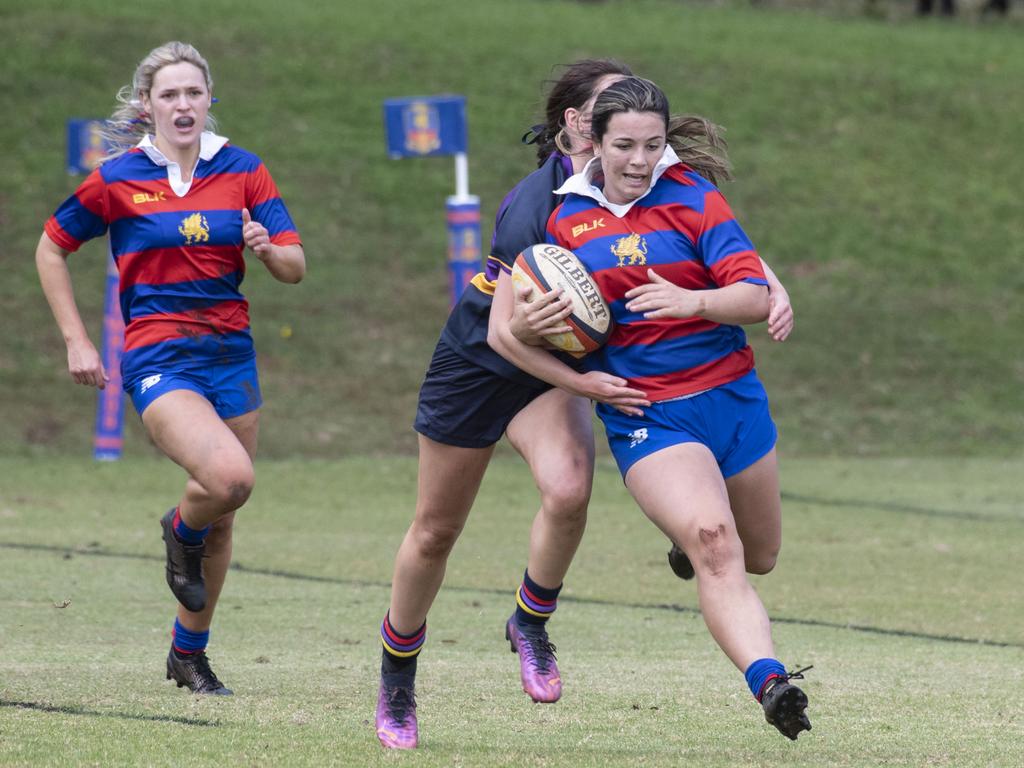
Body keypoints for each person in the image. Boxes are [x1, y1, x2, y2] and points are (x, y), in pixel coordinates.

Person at [374, 60, 794, 750]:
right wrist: (583, 380)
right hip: (482, 361)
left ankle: (531, 619)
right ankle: (397, 674)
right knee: (434, 531)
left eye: (644, 136)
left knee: (569, 488)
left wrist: (770, 290)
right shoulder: (537, 208)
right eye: (612, 124)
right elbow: (506, 332)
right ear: (580, 128)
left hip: (562, 363)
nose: (634, 146)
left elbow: (723, 239)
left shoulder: (647, 173)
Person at [488, 76, 812, 740]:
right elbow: (509, 334)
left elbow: (752, 296)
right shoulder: (555, 219)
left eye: (653, 145)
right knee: (717, 546)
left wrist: (695, 301)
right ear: (594, 143)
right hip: (651, 415)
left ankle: (685, 539)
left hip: (733, 399)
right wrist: (568, 367)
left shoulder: (693, 197)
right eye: (625, 146)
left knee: (759, 555)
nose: (639, 161)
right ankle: (772, 683)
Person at [36, 41, 305, 695]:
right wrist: (77, 341)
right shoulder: (117, 178)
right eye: (169, 94)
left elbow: (296, 267)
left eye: (193, 93)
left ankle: (188, 654)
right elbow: (50, 248)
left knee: (228, 510)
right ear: (147, 105)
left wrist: (267, 249)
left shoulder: (243, 170)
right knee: (227, 479)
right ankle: (177, 527)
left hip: (230, 354)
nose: (182, 105)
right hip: (159, 355)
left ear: (209, 100)